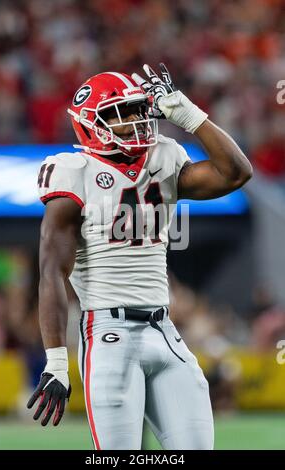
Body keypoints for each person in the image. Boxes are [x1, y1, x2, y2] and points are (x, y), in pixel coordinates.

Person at [27, 63, 252, 450]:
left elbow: (235, 173)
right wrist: (57, 360)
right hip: (107, 334)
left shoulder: (162, 158)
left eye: (136, 110)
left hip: (164, 329)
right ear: (90, 124)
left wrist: (187, 113)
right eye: (121, 114)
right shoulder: (74, 171)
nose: (135, 121)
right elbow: (51, 272)